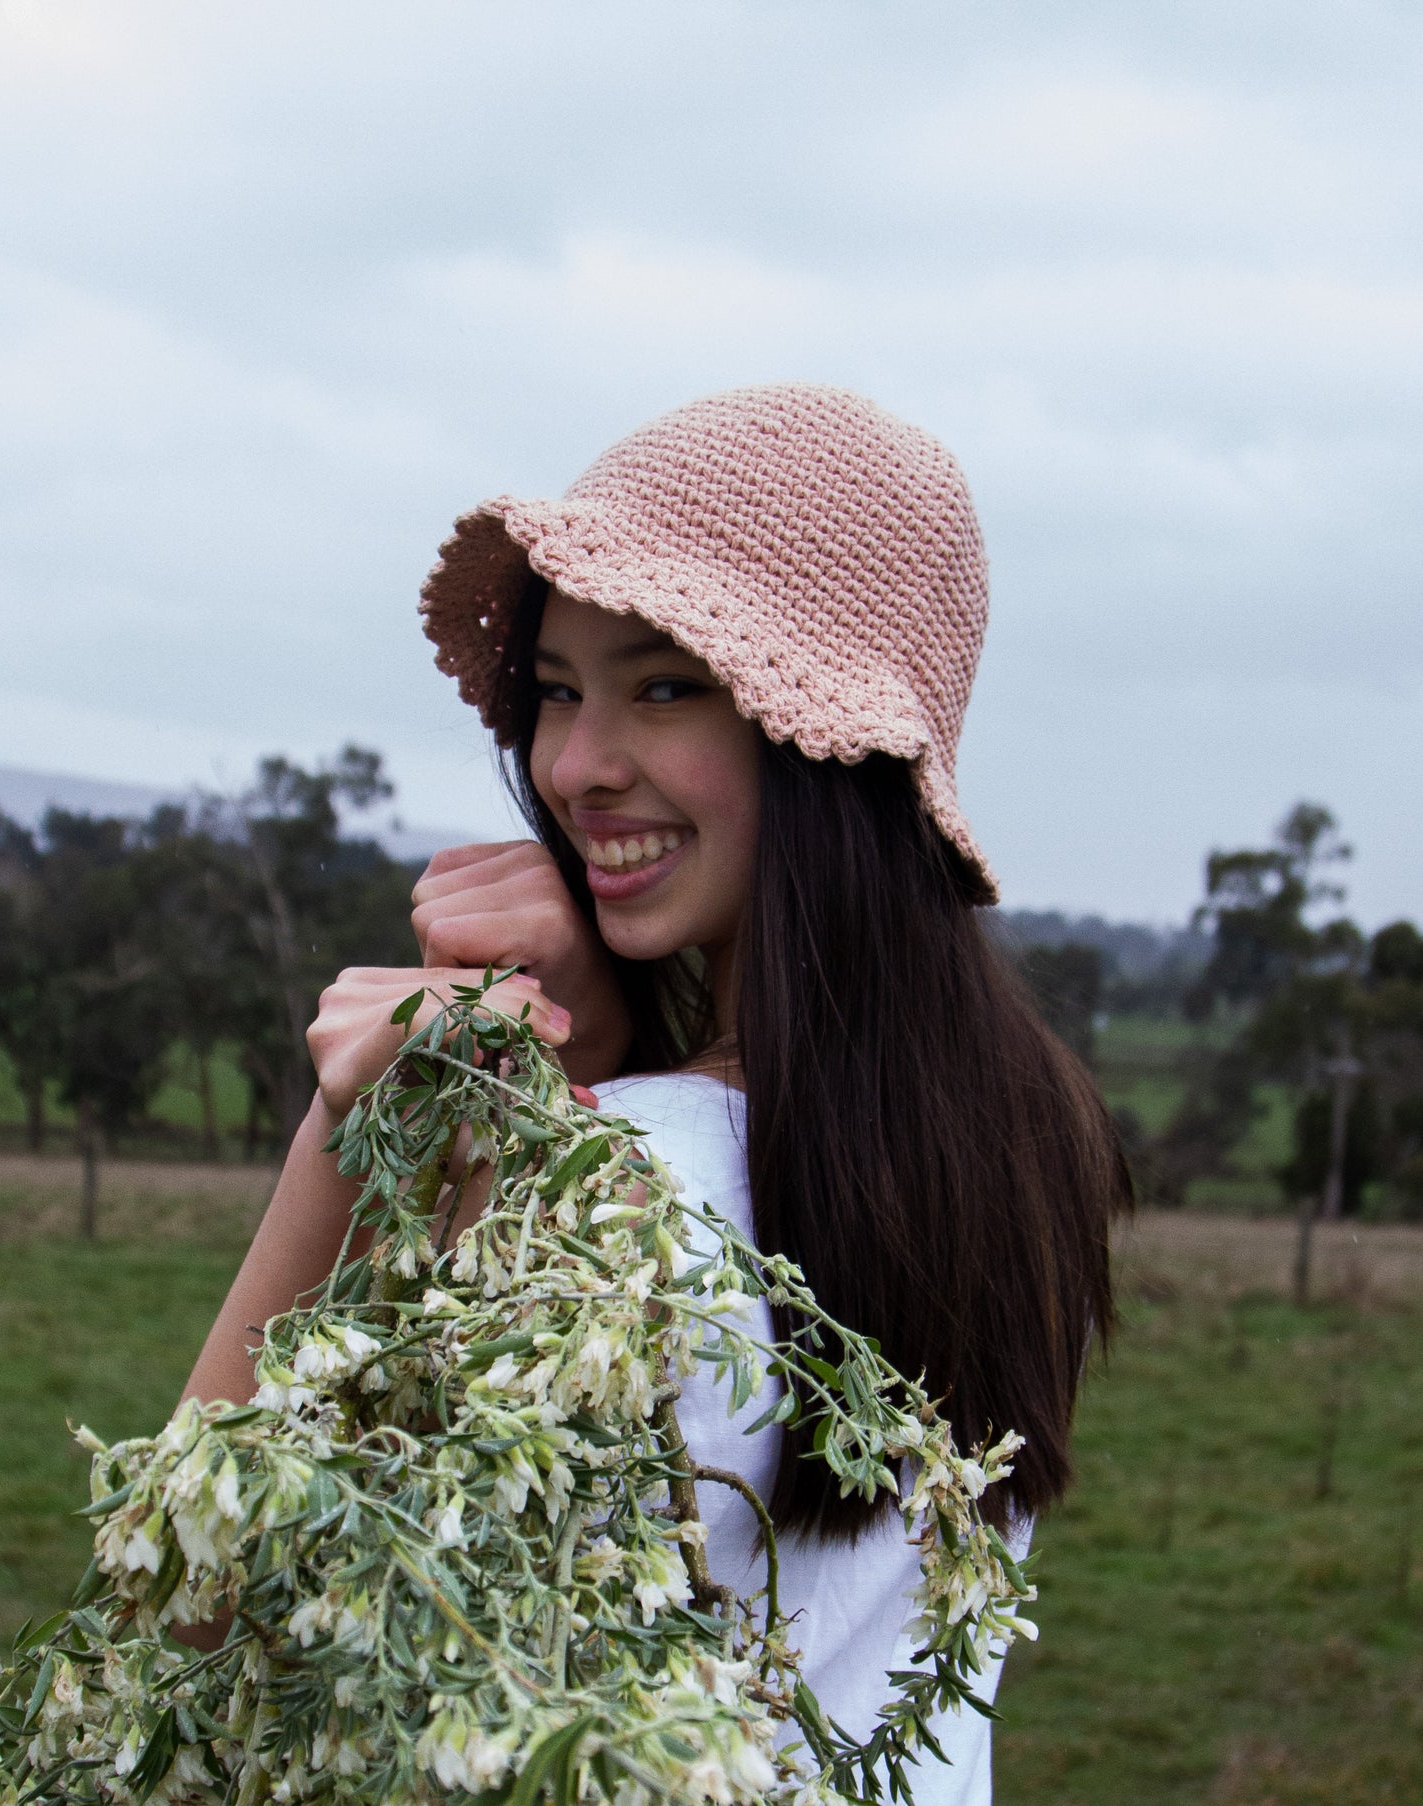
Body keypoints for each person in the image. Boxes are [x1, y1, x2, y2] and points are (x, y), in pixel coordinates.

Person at [182, 383, 1131, 1802]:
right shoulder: (1014, 1133)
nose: (573, 766)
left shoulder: (615, 1191)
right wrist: (607, 1043)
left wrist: (352, 1132)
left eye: (666, 683)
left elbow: (189, 1604)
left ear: (824, 741)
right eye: (558, 688)